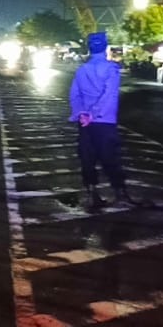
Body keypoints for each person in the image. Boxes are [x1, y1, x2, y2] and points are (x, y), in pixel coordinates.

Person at [69, 31, 140, 211]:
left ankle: (92, 194)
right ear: (106, 47)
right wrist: (93, 114)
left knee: (87, 157)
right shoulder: (111, 69)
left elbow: (75, 95)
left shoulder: (82, 70)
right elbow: (108, 95)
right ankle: (120, 193)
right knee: (110, 157)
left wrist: (82, 114)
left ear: (89, 48)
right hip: (105, 120)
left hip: (85, 122)